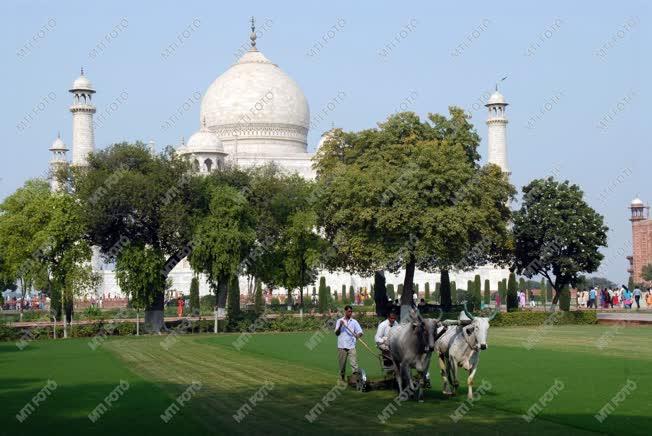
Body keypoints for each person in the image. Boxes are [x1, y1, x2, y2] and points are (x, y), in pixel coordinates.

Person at [334, 305, 363, 382]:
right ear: (345, 311)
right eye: (349, 311)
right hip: (342, 346)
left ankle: (355, 379)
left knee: (354, 364)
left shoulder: (354, 322)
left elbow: (360, 332)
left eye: (351, 311)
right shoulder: (339, 321)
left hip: (351, 346)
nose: (350, 313)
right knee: (342, 365)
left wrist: (358, 335)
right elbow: (336, 333)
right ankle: (342, 378)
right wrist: (340, 326)